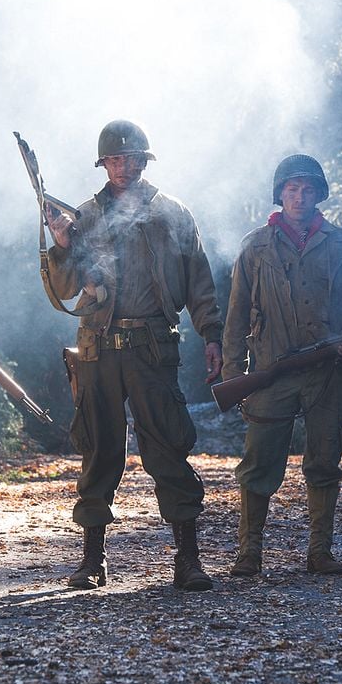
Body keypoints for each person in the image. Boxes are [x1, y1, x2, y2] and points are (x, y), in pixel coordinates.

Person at [44, 119, 224, 592]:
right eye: (115, 159)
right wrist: (62, 247)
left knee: (168, 448)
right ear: (104, 164)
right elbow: (63, 290)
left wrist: (212, 334)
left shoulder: (173, 213)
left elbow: (200, 281)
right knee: (99, 451)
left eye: (132, 158)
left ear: (145, 161)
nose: (124, 166)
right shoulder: (80, 217)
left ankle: (187, 559)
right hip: (98, 350)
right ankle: (92, 560)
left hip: (152, 347)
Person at [222, 154, 342, 576]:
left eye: (308, 190)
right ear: (280, 194)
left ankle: (320, 552)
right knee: (258, 464)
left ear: (318, 194)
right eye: (292, 189)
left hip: (327, 371)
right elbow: (235, 315)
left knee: (324, 461)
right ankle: (249, 553)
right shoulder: (255, 246)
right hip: (272, 369)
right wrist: (235, 375)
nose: (300, 197)